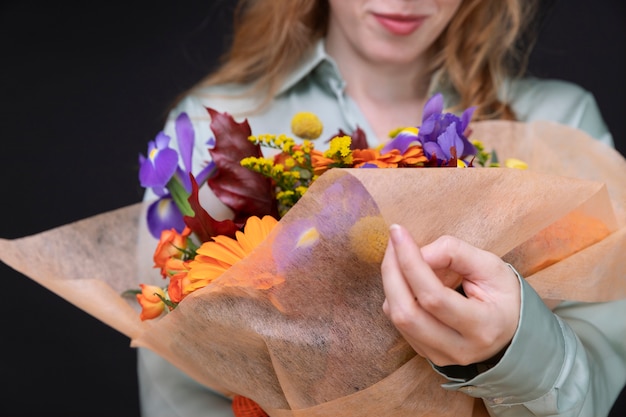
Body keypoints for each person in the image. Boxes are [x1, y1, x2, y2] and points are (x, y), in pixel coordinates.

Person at [136, 0, 626, 416]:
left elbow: (593, 391)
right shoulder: (207, 132)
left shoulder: (561, 125)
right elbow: (178, 389)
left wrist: (512, 349)